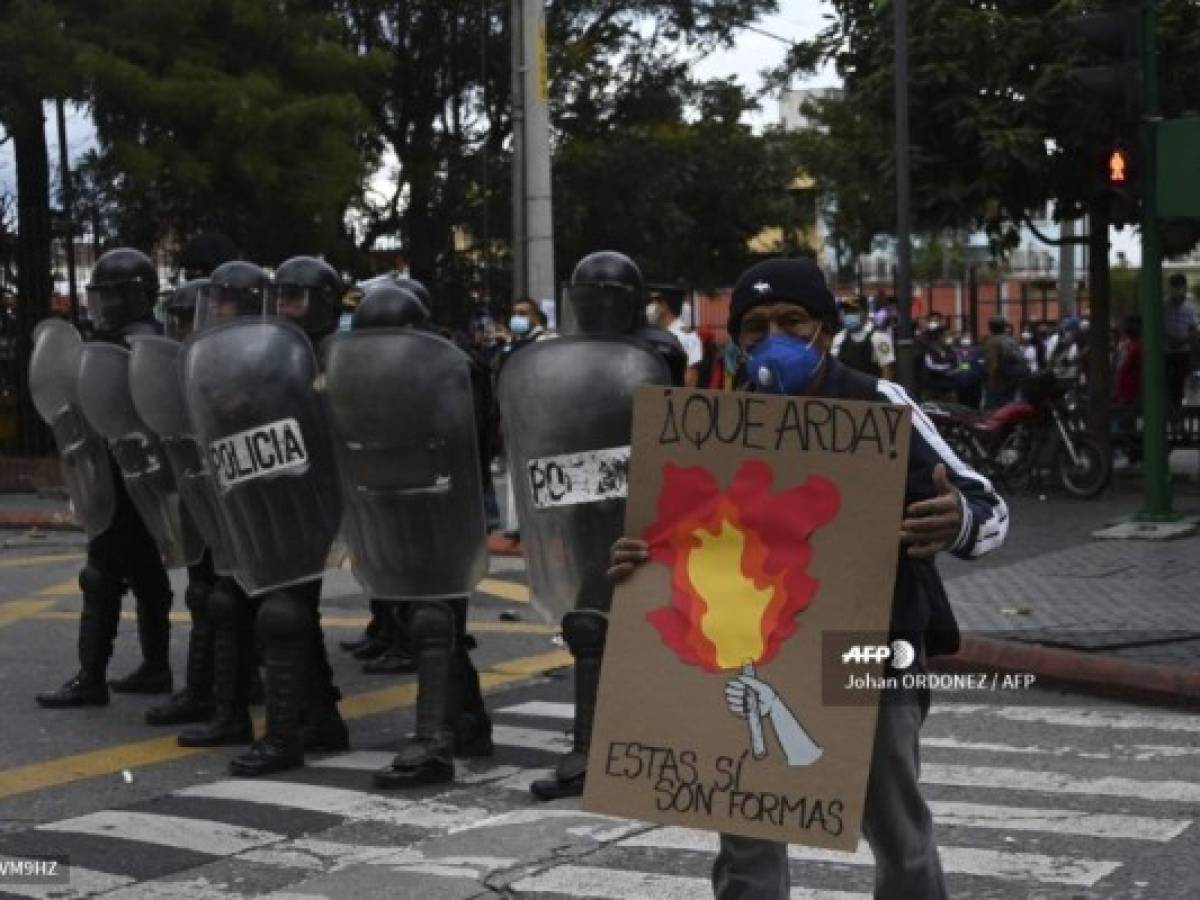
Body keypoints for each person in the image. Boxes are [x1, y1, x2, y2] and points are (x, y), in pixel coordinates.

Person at [609, 257, 1008, 900]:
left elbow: (989, 505)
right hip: (752, 656)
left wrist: (957, 518)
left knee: (897, 833)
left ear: (828, 327)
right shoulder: (711, 425)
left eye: (794, 321)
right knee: (746, 841)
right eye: (756, 326)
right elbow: (672, 542)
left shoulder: (879, 405)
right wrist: (637, 562)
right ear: (736, 341)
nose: (775, 339)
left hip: (868, 647)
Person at [499, 251, 676, 801]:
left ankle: (620, 744)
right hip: (577, 493)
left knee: (628, 624)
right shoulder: (549, 357)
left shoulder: (657, 351)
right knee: (588, 622)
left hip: (636, 496)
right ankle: (592, 748)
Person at [328, 283, 493, 787]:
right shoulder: (356, 375)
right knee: (423, 617)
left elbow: (474, 440)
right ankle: (468, 723)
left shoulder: (456, 369)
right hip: (390, 499)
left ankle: (432, 743)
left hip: (444, 502)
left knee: (431, 617)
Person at [33, 248, 176, 707]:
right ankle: (155, 667)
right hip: (134, 478)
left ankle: (91, 676)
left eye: (113, 295)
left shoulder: (136, 346)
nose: (105, 306)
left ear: (138, 296)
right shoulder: (138, 343)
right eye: (101, 296)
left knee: (101, 575)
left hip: (129, 476)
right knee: (147, 573)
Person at [646, 289, 703, 386]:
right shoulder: (652, 333)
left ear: (664, 306)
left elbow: (691, 378)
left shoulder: (687, 336)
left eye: (655, 302)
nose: (650, 307)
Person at [831, 296, 896, 380]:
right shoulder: (839, 338)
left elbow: (887, 373)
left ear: (865, 312)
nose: (849, 315)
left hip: (870, 390)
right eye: (846, 312)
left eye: (853, 311)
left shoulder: (878, 337)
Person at [1164, 274, 1197, 434]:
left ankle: (1177, 421)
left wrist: (1184, 340)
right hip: (1166, 352)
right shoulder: (1163, 306)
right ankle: (1172, 419)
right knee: (1166, 388)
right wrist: (1172, 340)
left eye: (1180, 286)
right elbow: (1159, 329)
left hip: (1183, 352)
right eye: (1175, 286)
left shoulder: (1190, 308)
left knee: (1178, 389)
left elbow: (1193, 330)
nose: (1178, 290)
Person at [1114, 314, 1143, 464]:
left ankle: (1136, 451)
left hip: (1132, 391)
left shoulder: (1138, 346)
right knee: (1126, 423)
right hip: (1124, 390)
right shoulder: (1127, 345)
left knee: (1126, 423)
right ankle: (1134, 452)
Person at [982, 315, 1027, 409]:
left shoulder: (992, 341)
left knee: (994, 409)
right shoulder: (1012, 340)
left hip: (1000, 381)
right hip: (1014, 379)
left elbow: (993, 364)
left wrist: (991, 383)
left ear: (990, 327)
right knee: (1009, 405)